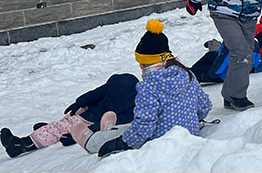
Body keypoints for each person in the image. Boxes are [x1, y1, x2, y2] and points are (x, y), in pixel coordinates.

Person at [86, 19, 212, 157]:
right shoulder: (188, 75)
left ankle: (90, 141)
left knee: (126, 132)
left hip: (160, 144)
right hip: (189, 136)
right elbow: (204, 106)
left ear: (147, 64)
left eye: (141, 63)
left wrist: (122, 143)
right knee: (132, 127)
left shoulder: (148, 87)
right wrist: (187, 119)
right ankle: (109, 130)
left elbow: (145, 126)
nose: (140, 67)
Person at [0, 73, 139, 158]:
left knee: (60, 127)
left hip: (87, 123)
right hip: (85, 113)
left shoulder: (131, 106)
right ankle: (48, 131)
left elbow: (111, 124)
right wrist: (80, 103)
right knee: (61, 124)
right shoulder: (122, 84)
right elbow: (96, 93)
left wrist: (76, 136)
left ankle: (20, 145)